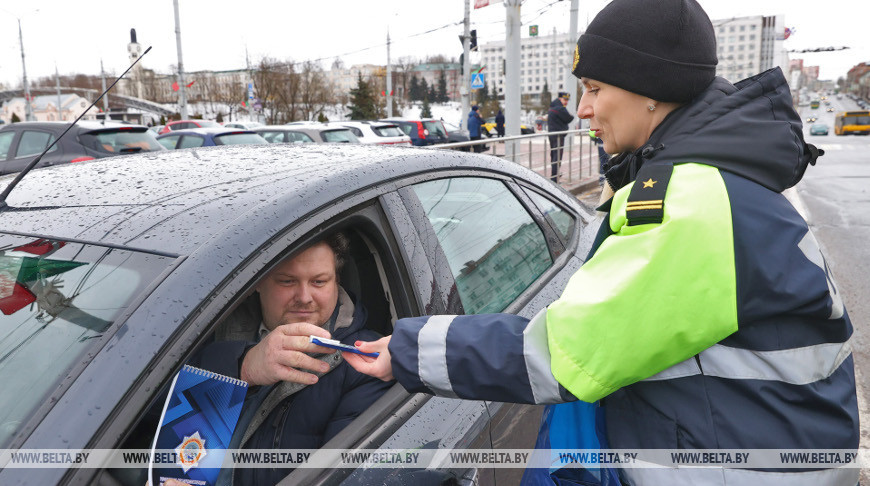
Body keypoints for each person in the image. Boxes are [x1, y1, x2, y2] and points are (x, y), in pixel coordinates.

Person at [343, 0, 859, 484]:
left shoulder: (694, 202)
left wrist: (408, 349)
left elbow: (569, 354)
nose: (583, 109)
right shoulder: (709, 181)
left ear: (651, 90)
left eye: (594, 87)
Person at [193, 232, 393, 485]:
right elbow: (145, 401)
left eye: (319, 282)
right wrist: (241, 367)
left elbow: (342, 476)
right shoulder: (207, 324)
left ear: (337, 282)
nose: (305, 297)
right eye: (287, 281)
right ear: (257, 281)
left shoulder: (366, 363)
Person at [547, 91, 575, 182]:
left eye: (567, 100)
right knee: (557, 157)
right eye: (564, 99)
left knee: (553, 155)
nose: (566, 102)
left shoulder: (552, 106)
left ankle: (554, 176)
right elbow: (569, 118)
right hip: (558, 136)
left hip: (552, 134)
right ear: (560, 98)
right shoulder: (560, 108)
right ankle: (554, 178)